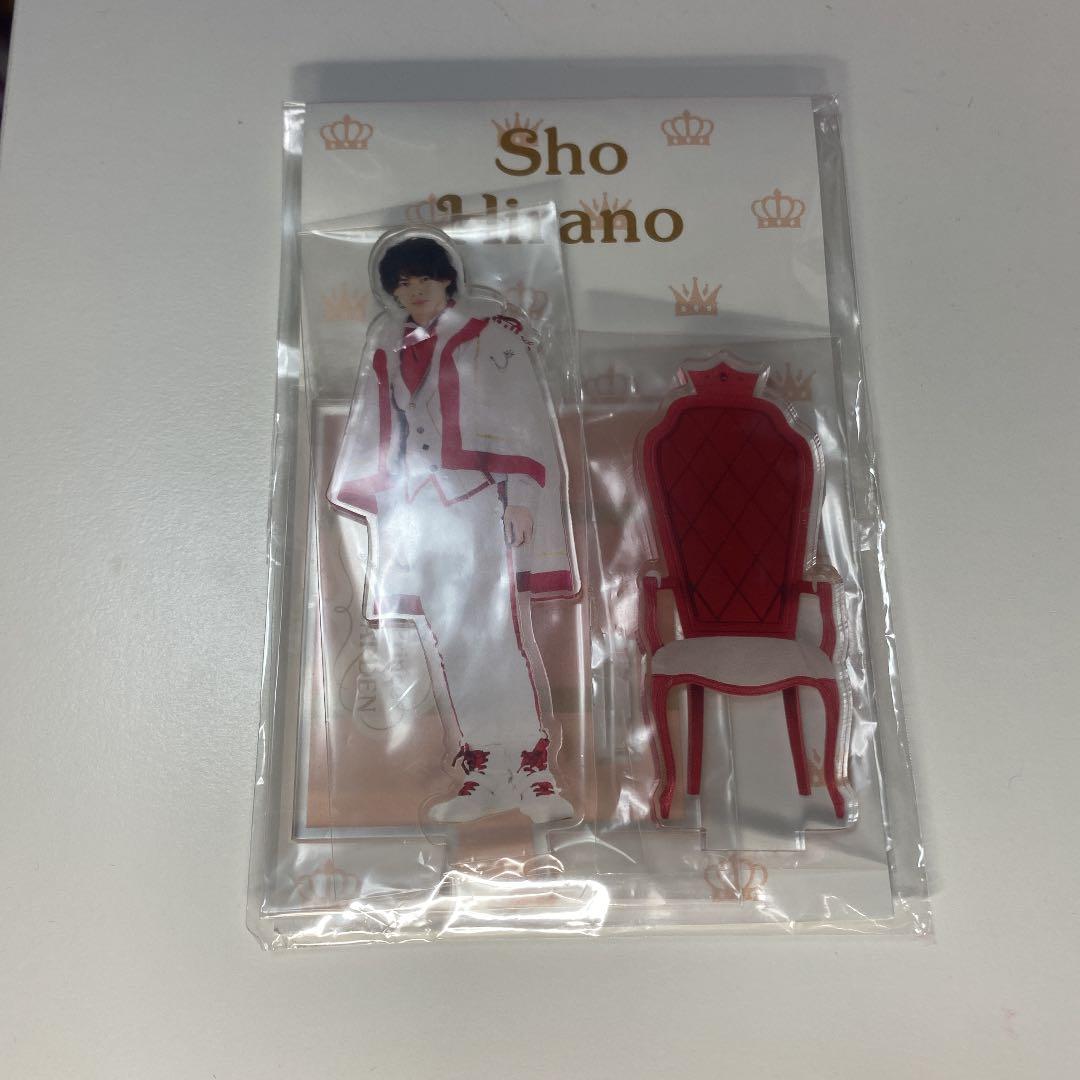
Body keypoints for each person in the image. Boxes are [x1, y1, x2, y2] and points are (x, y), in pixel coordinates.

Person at [327, 226, 577, 825]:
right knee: (448, 642)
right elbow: (382, 428)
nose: (413, 291)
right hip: (417, 511)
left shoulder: (490, 339)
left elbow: (518, 419)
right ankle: (485, 767)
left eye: (423, 278)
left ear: (446, 279)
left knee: (494, 632)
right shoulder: (391, 349)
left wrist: (519, 498)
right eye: (402, 283)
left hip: (474, 501)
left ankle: (531, 768)